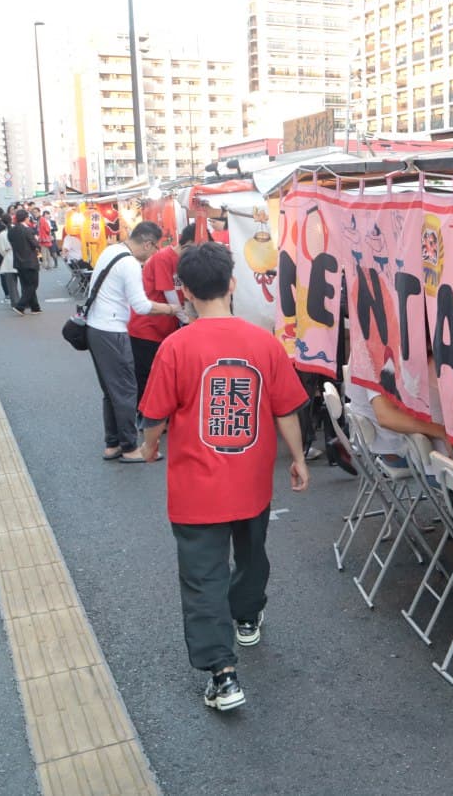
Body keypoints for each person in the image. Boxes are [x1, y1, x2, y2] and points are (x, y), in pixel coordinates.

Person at [139, 242, 308, 712]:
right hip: (252, 483)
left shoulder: (176, 346)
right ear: (233, 284)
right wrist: (298, 458)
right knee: (252, 554)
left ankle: (223, 674)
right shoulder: (263, 342)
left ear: (186, 291)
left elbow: (155, 415)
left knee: (202, 577)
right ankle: (247, 618)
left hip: (196, 491)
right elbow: (286, 408)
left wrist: (151, 446)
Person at [85, 221, 181, 462]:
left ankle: (113, 444)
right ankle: (129, 448)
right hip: (112, 331)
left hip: (95, 328)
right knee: (126, 389)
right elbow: (142, 305)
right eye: (154, 248)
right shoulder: (129, 263)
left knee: (111, 390)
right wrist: (173, 309)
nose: (154, 254)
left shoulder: (111, 250)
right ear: (147, 243)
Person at [128, 223, 195, 409]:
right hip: (146, 326)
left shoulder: (183, 261)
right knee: (147, 375)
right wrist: (186, 319)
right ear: (189, 244)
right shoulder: (163, 258)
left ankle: (158, 413)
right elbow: (169, 293)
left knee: (161, 374)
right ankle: (146, 416)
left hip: (165, 325)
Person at [8, 209, 42, 315]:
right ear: (25, 218)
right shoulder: (27, 230)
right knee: (33, 285)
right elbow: (35, 244)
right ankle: (20, 306)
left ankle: (35, 307)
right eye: (28, 218)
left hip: (18, 261)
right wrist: (37, 242)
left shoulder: (12, 231)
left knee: (27, 285)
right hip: (30, 261)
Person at [0, 213, 17, 303]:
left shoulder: (2, 234)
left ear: (2, 223)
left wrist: (6, 254)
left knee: (11, 284)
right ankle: (27, 301)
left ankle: (15, 302)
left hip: (9, 259)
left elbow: (0, 248)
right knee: (25, 282)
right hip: (21, 257)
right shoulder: (17, 230)